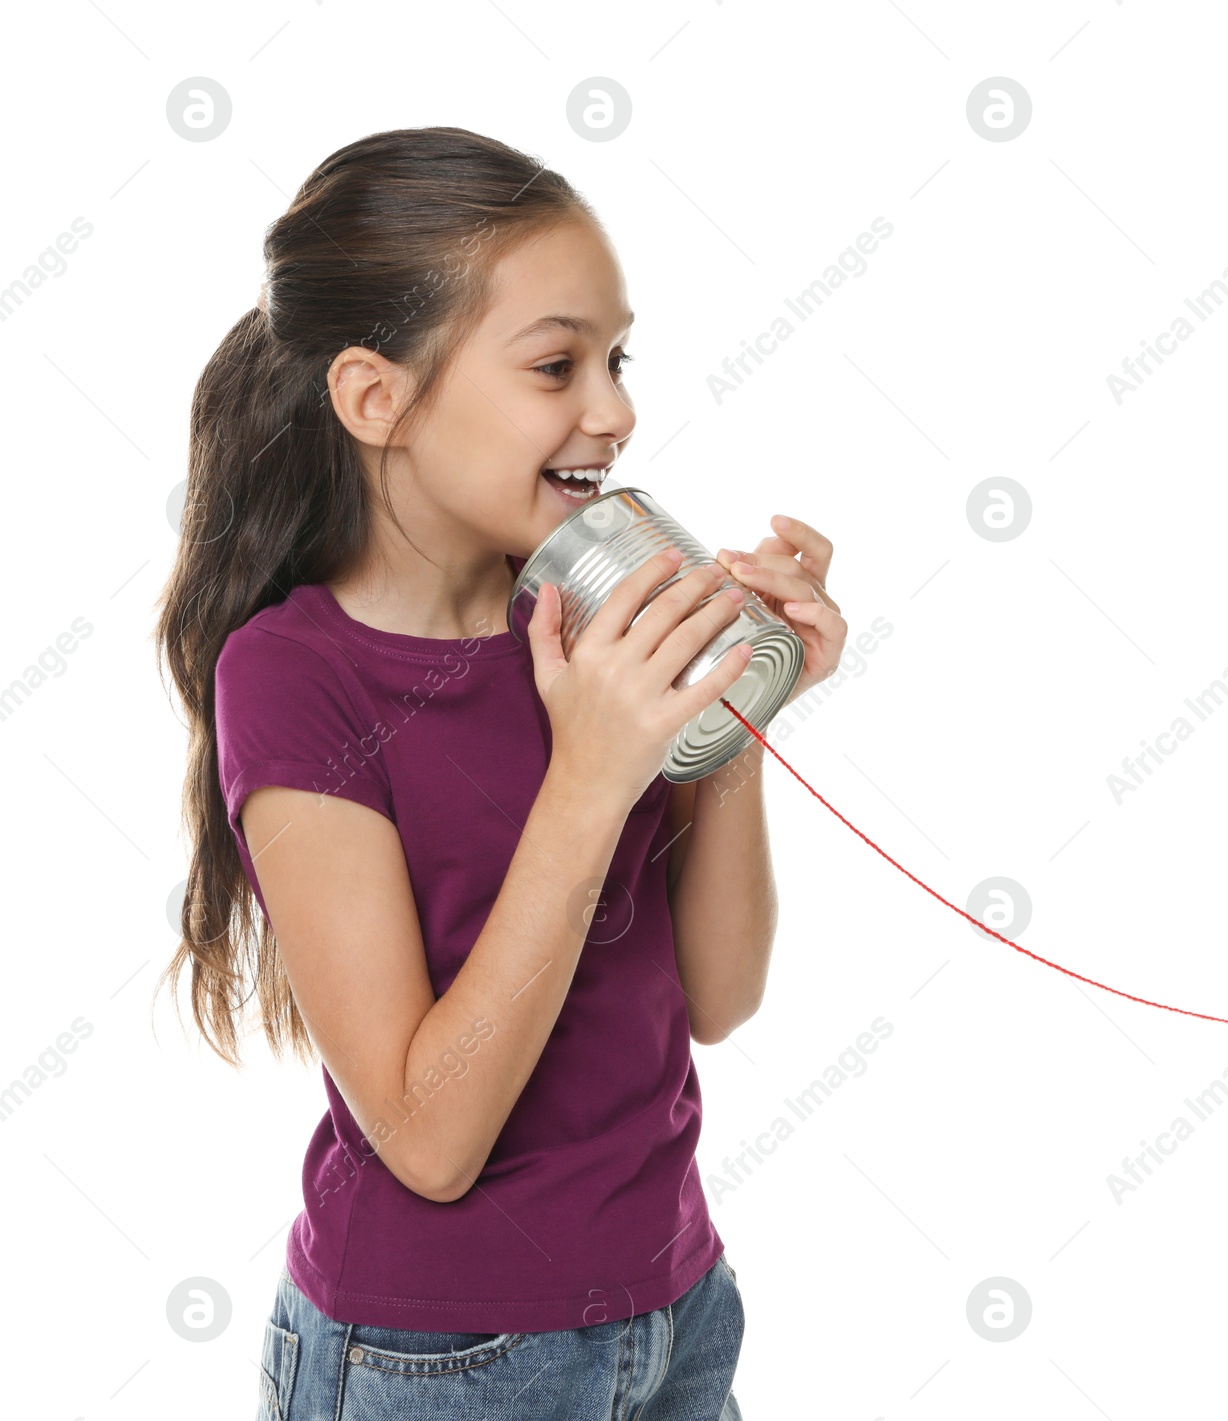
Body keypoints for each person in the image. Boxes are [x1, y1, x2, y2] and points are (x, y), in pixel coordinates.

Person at [153, 125, 847, 1420]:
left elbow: (722, 993)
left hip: (679, 1309)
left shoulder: (592, 613)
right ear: (378, 400)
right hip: (445, 1359)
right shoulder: (300, 676)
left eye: (618, 358)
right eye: (556, 365)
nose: (618, 410)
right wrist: (589, 777)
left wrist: (734, 713)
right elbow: (427, 1135)